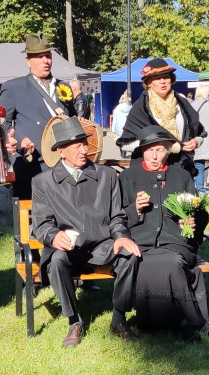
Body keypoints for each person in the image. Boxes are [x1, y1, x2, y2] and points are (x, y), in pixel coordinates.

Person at [31, 117, 140, 347]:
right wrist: (53, 236)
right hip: (68, 249)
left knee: (129, 254)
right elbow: (41, 224)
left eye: (84, 144)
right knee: (56, 260)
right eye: (76, 146)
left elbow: (117, 216)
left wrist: (121, 236)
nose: (84, 150)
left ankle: (119, 319)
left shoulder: (107, 175)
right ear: (61, 151)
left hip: (101, 246)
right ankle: (74, 321)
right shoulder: (43, 182)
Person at [120, 125, 209, 342]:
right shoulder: (127, 177)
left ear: (168, 151)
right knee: (155, 263)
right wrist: (135, 209)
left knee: (170, 261)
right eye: (149, 150)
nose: (154, 156)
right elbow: (116, 216)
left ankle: (160, 321)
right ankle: (189, 321)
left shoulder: (182, 176)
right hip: (141, 243)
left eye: (160, 150)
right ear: (142, 151)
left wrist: (192, 221)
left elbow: (200, 213)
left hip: (176, 242)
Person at [0, 33, 77, 199]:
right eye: (40, 57)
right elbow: (2, 123)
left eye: (48, 56)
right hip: (31, 164)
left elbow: (72, 119)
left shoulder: (63, 86)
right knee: (32, 212)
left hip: (63, 163)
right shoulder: (13, 87)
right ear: (28, 61)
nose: (46, 61)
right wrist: (20, 140)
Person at [116, 58, 205, 176]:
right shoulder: (140, 108)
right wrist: (166, 146)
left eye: (166, 77)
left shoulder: (182, 103)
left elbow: (199, 133)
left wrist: (196, 141)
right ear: (148, 83)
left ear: (171, 79)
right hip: (149, 171)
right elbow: (126, 144)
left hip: (181, 169)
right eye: (157, 78)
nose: (162, 81)